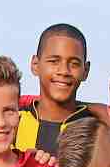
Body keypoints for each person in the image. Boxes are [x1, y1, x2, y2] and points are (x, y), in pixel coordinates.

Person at [14, 22, 93, 160]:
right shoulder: (12, 123)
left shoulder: (97, 130)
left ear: (85, 71)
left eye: (74, 64)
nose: (64, 71)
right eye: (54, 61)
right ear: (35, 65)